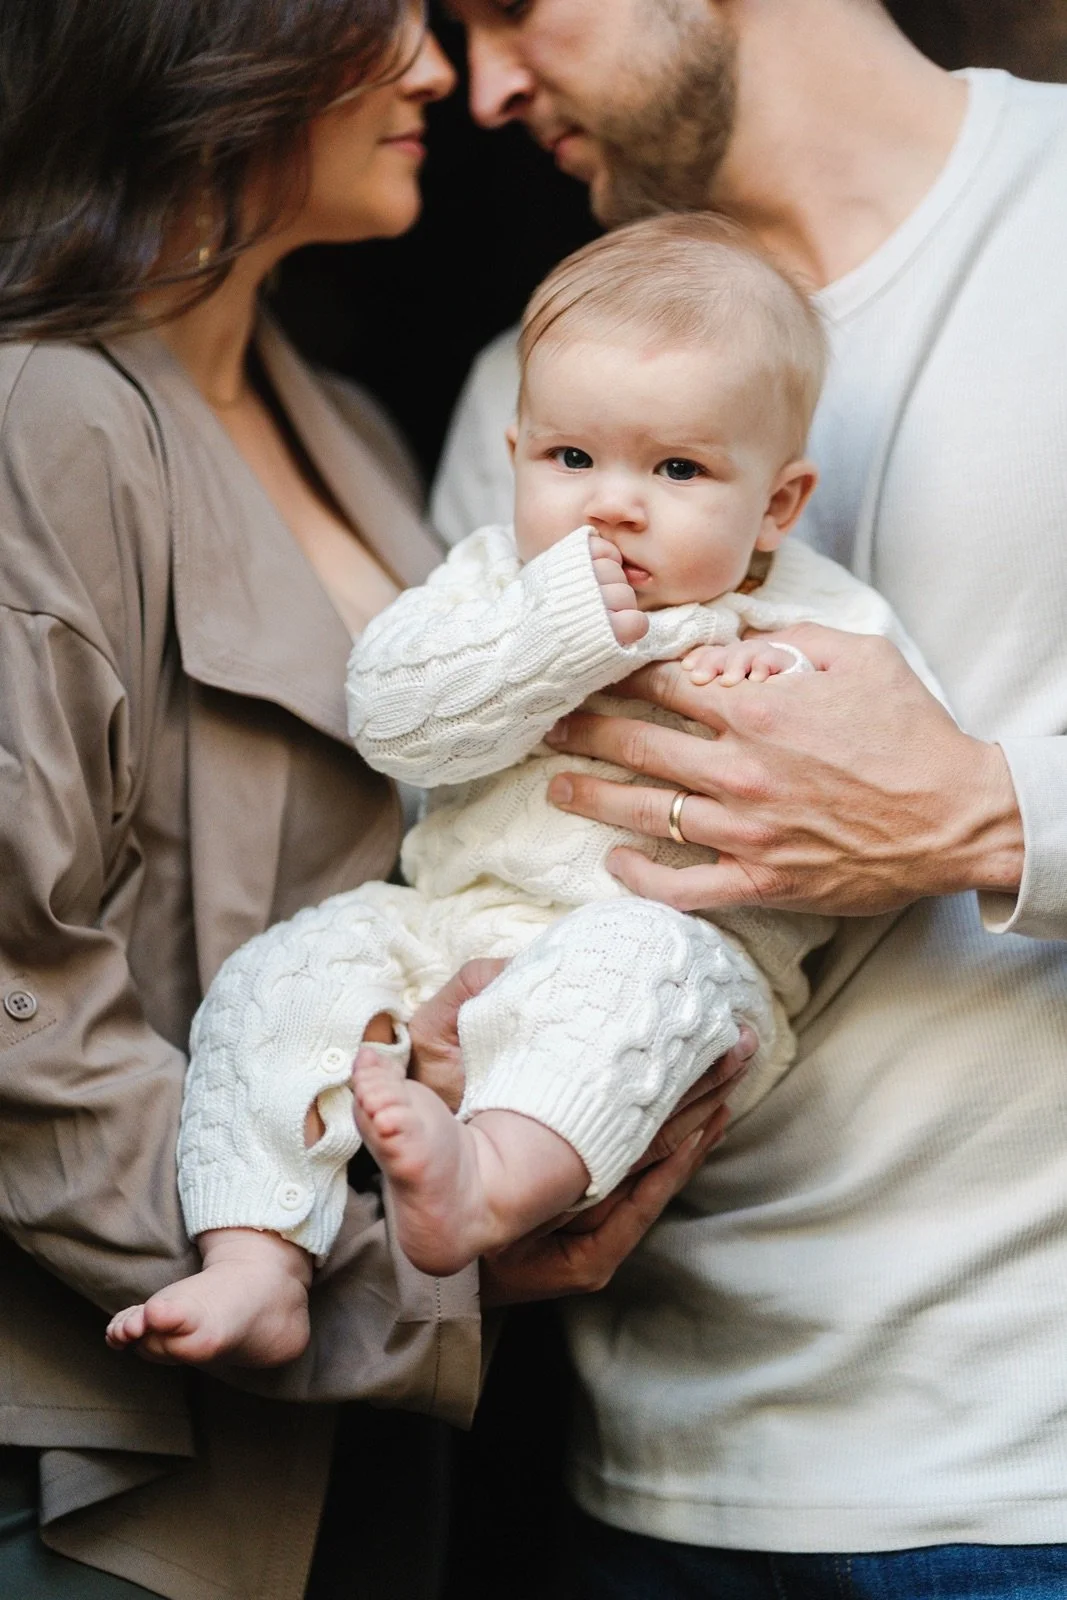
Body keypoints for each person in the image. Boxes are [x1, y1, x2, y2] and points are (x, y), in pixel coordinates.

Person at [0, 4, 743, 1597]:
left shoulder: (325, 411)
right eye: (383, 25)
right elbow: (18, 993)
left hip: (361, 1407)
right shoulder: (40, 416)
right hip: (118, 1419)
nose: (433, 74)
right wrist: (383, 1274)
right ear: (217, 46)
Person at [434, 0, 1067, 1594]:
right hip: (644, 1468)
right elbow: (470, 845)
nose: (481, 84)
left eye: (505, 8)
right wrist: (457, 1057)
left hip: (1020, 1472)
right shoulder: (531, 403)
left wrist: (989, 816)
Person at [105, 210, 946, 1363]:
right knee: (285, 974)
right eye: (571, 458)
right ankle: (256, 1255)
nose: (611, 501)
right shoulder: (492, 583)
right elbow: (393, 718)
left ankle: (489, 1183)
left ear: (778, 504)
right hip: (451, 923)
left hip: (679, 966)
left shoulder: (811, 618)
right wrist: (548, 636)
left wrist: (784, 685)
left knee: (627, 964)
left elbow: (898, 793)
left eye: (678, 468)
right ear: (516, 457)